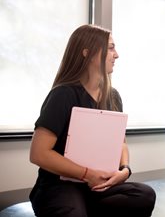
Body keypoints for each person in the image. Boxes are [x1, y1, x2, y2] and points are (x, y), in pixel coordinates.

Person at [29, 24, 156, 217]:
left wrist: (125, 170)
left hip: (95, 187)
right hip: (58, 186)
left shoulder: (113, 97)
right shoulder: (63, 94)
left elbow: (120, 143)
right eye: (111, 48)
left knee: (144, 195)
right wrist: (87, 174)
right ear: (87, 54)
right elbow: (38, 154)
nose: (117, 54)